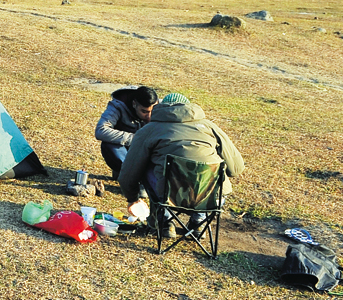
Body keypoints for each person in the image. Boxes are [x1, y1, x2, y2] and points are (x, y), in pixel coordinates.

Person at [118, 93, 245, 237]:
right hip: (212, 198)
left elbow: (128, 173)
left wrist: (132, 199)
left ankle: (164, 222)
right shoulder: (209, 126)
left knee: (146, 165)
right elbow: (236, 168)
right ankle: (199, 222)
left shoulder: (149, 130)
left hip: (170, 196)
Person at [95, 85, 158, 180]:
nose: (149, 116)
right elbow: (101, 130)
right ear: (134, 104)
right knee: (109, 144)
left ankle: (147, 177)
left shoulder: (161, 107)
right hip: (124, 150)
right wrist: (135, 139)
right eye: (144, 111)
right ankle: (132, 176)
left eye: (152, 111)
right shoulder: (118, 106)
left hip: (146, 150)